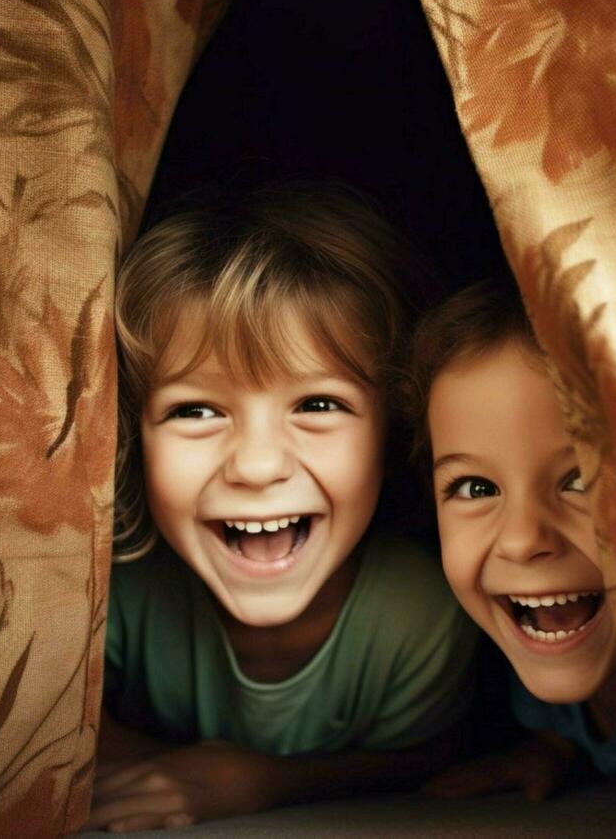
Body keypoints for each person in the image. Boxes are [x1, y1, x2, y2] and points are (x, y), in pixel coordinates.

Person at [87, 186, 478, 832]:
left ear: (395, 430)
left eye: (318, 405)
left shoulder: (418, 609)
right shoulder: (110, 593)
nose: (258, 465)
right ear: (131, 439)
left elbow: (425, 759)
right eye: (196, 411)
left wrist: (264, 782)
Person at [406, 279, 616, 801]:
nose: (521, 541)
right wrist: (552, 749)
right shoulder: (545, 646)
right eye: (475, 488)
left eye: (580, 479)